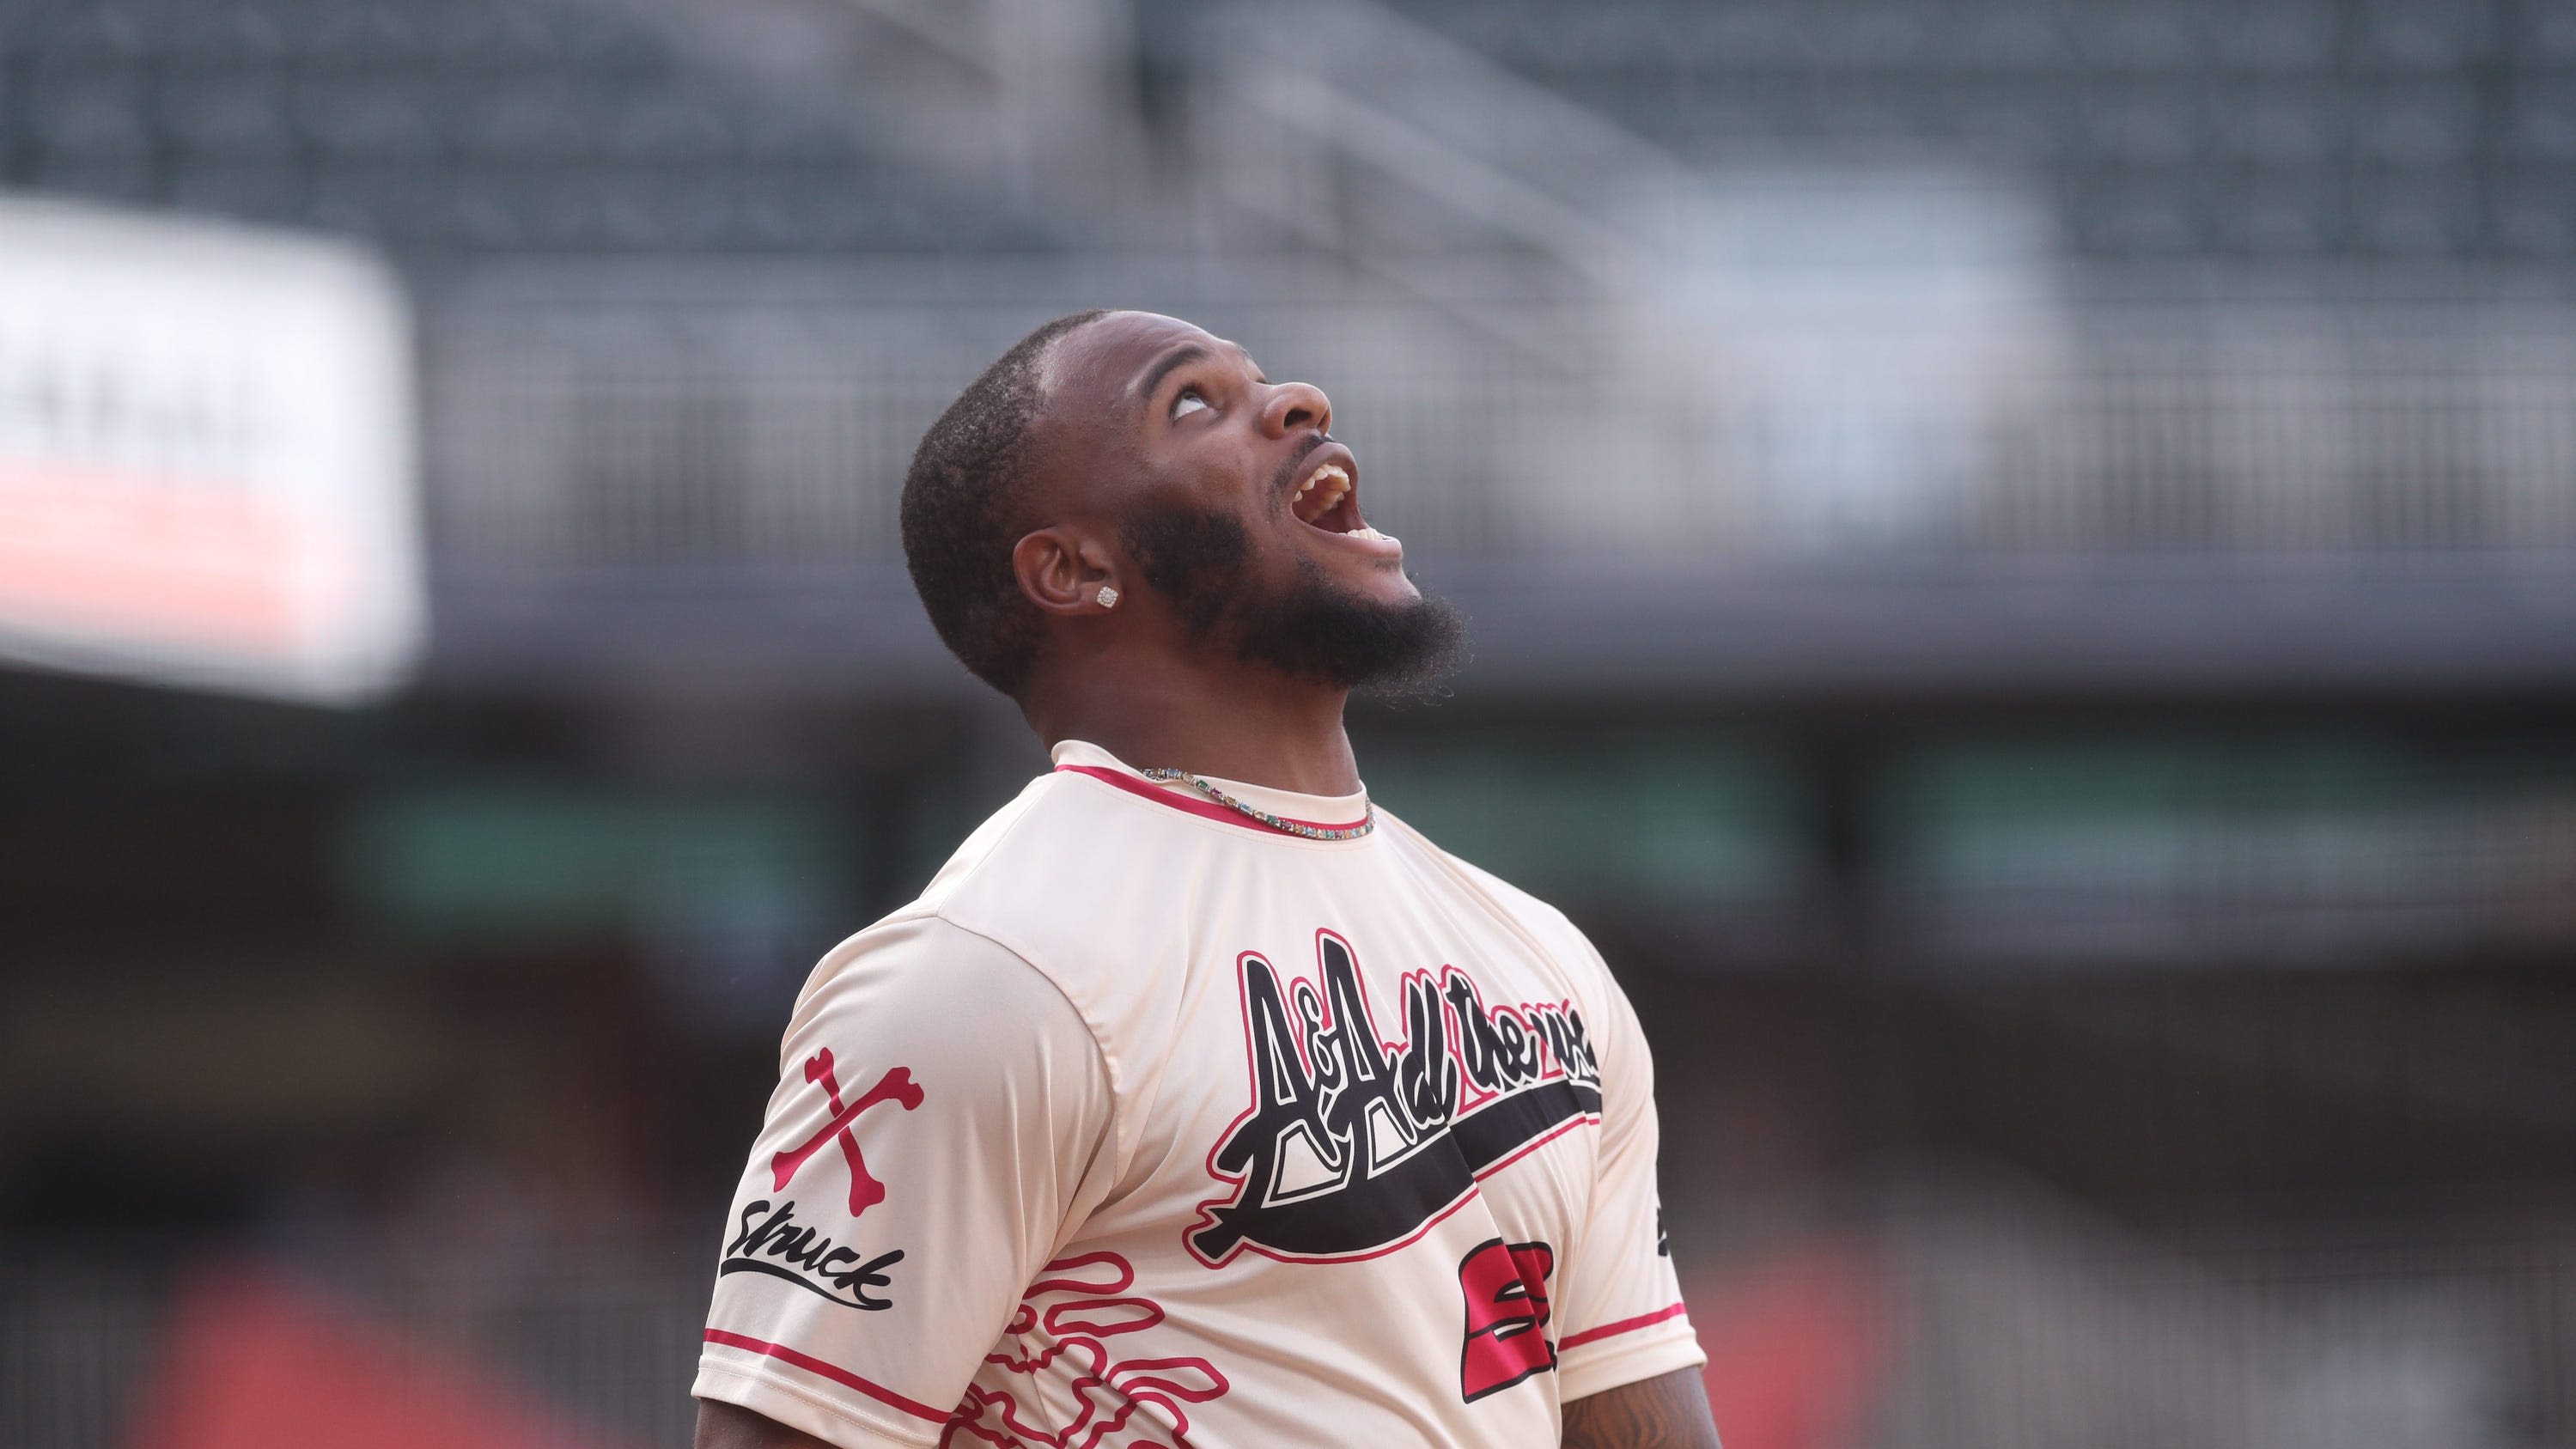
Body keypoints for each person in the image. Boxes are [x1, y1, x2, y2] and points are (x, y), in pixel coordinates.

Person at [692, 310, 1720, 1449]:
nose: (1301, 403)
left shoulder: (1542, 953)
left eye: (1268, 382)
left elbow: (1634, 1414)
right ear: (1076, 568)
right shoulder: (987, 975)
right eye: (1193, 402)